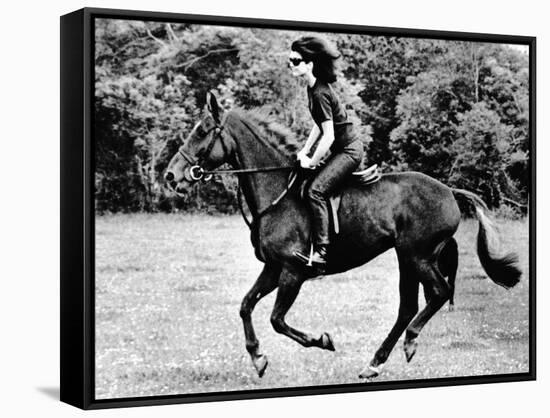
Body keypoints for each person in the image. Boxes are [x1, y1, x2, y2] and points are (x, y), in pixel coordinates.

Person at [289, 36, 364, 267]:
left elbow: (329, 135)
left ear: (310, 64)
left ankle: (321, 251)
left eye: (296, 60)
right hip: (341, 149)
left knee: (315, 191)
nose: (291, 64)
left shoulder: (320, 92)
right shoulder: (312, 89)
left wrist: (311, 161)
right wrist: (305, 151)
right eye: (289, 60)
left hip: (349, 151)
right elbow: (318, 125)